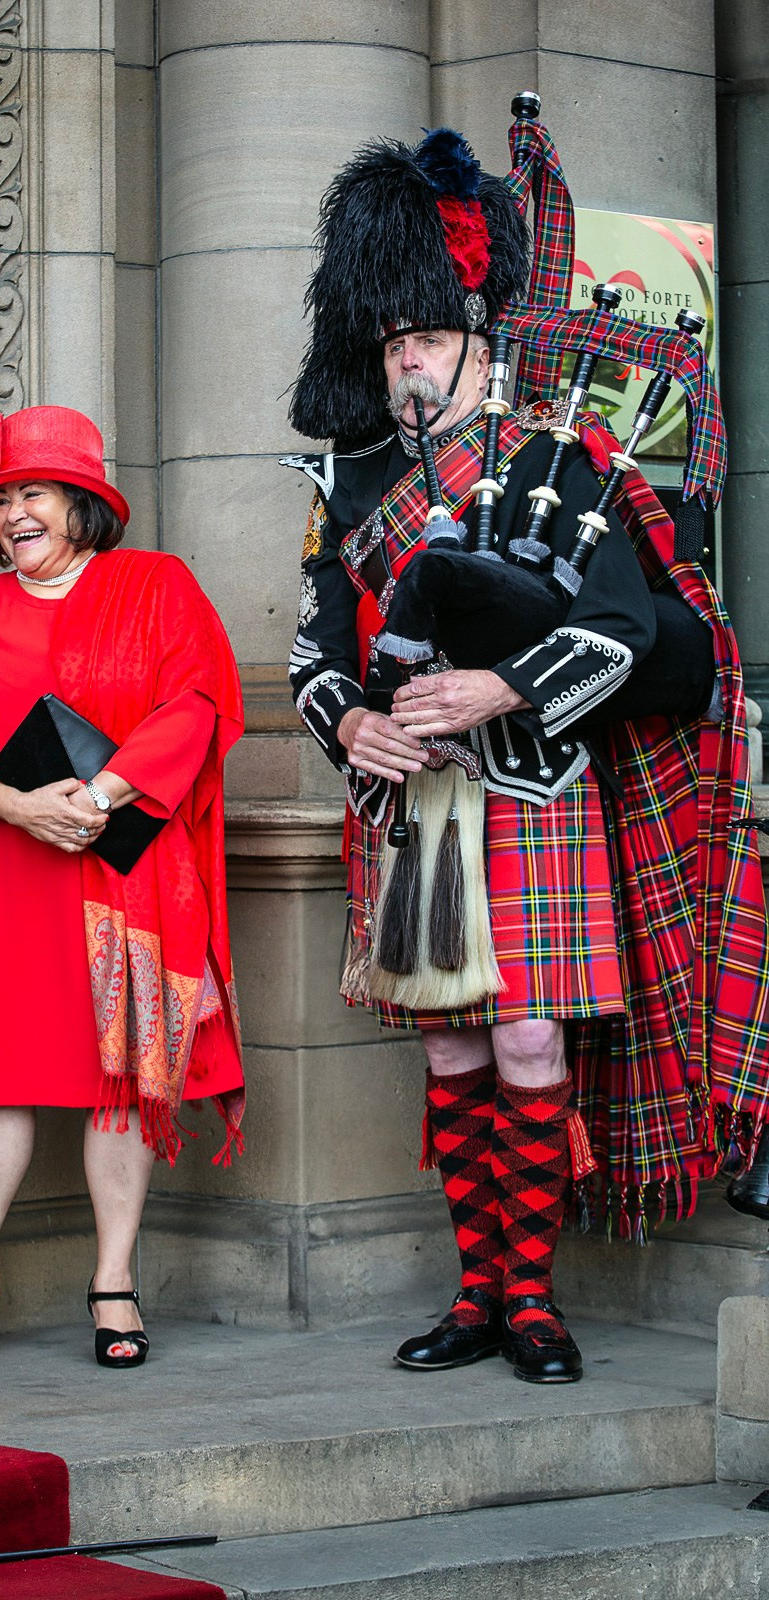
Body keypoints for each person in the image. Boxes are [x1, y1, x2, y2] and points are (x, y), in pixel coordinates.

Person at [284, 115, 769, 1384]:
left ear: (476, 336)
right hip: (412, 810)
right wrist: (353, 723)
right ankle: (473, 1293)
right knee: (450, 1052)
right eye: (391, 341)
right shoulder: (348, 489)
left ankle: (532, 1300)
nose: (407, 361)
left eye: (428, 336)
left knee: (528, 1047)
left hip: (537, 792)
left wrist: (496, 684)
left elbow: (623, 632)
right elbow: (310, 653)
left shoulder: (563, 459)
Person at [0, 405, 245, 1370]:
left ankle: (113, 1283)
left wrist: (97, 798)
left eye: (33, 493)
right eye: (0, 500)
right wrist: (19, 807)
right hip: (13, 866)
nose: (14, 514)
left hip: (120, 864)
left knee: (120, 1081)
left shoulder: (156, 585)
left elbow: (195, 704)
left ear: (80, 503)